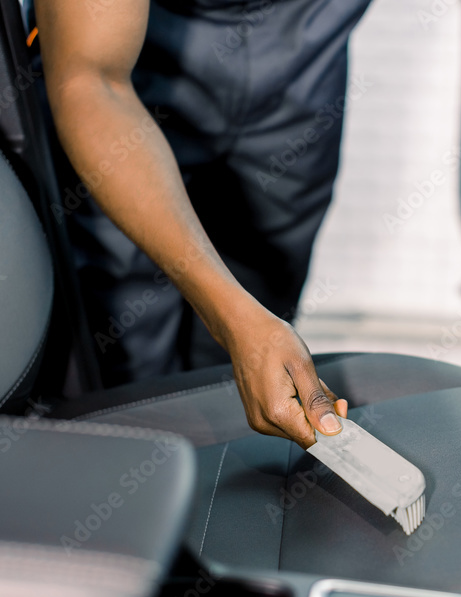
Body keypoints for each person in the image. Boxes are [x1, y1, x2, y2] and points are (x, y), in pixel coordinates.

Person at [35, 0, 370, 446]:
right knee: (129, 364)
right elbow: (91, 80)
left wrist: (249, 326)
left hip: (307, 63)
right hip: (139, 69)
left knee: (264, 326)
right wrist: (232, 317)